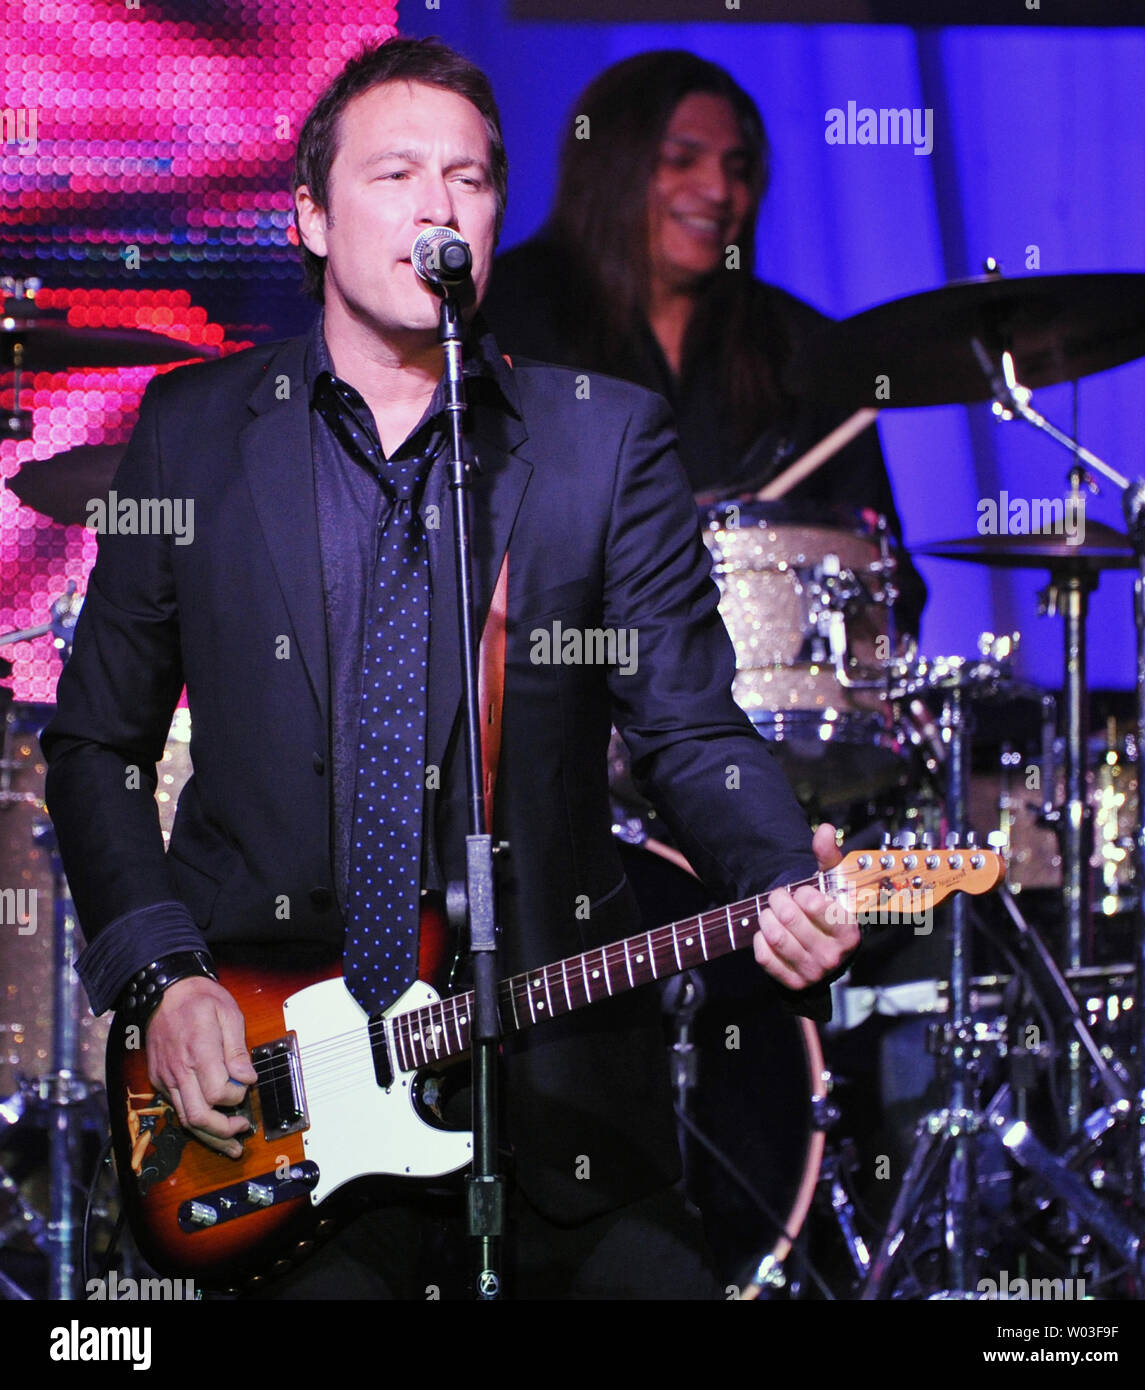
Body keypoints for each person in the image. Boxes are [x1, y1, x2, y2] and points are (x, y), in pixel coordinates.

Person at [41, 36, 858, 1299]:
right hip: (275, 1093)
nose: (438, 206)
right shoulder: (191, 433)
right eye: (397, 174)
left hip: (553, 1084)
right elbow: (97, 740)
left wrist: (770, 876)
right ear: (308, 216)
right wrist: (163, 978)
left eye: (469, 179)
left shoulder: (599, 440)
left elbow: (690, 726)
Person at [482, 50, 926, 633]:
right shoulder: (500, 315)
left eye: (738, 168)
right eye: (681, 159)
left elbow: (883, 573)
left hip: (764, 710)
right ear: (611, 168)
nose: (718, 189)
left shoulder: (805, 348)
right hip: (558, 690)